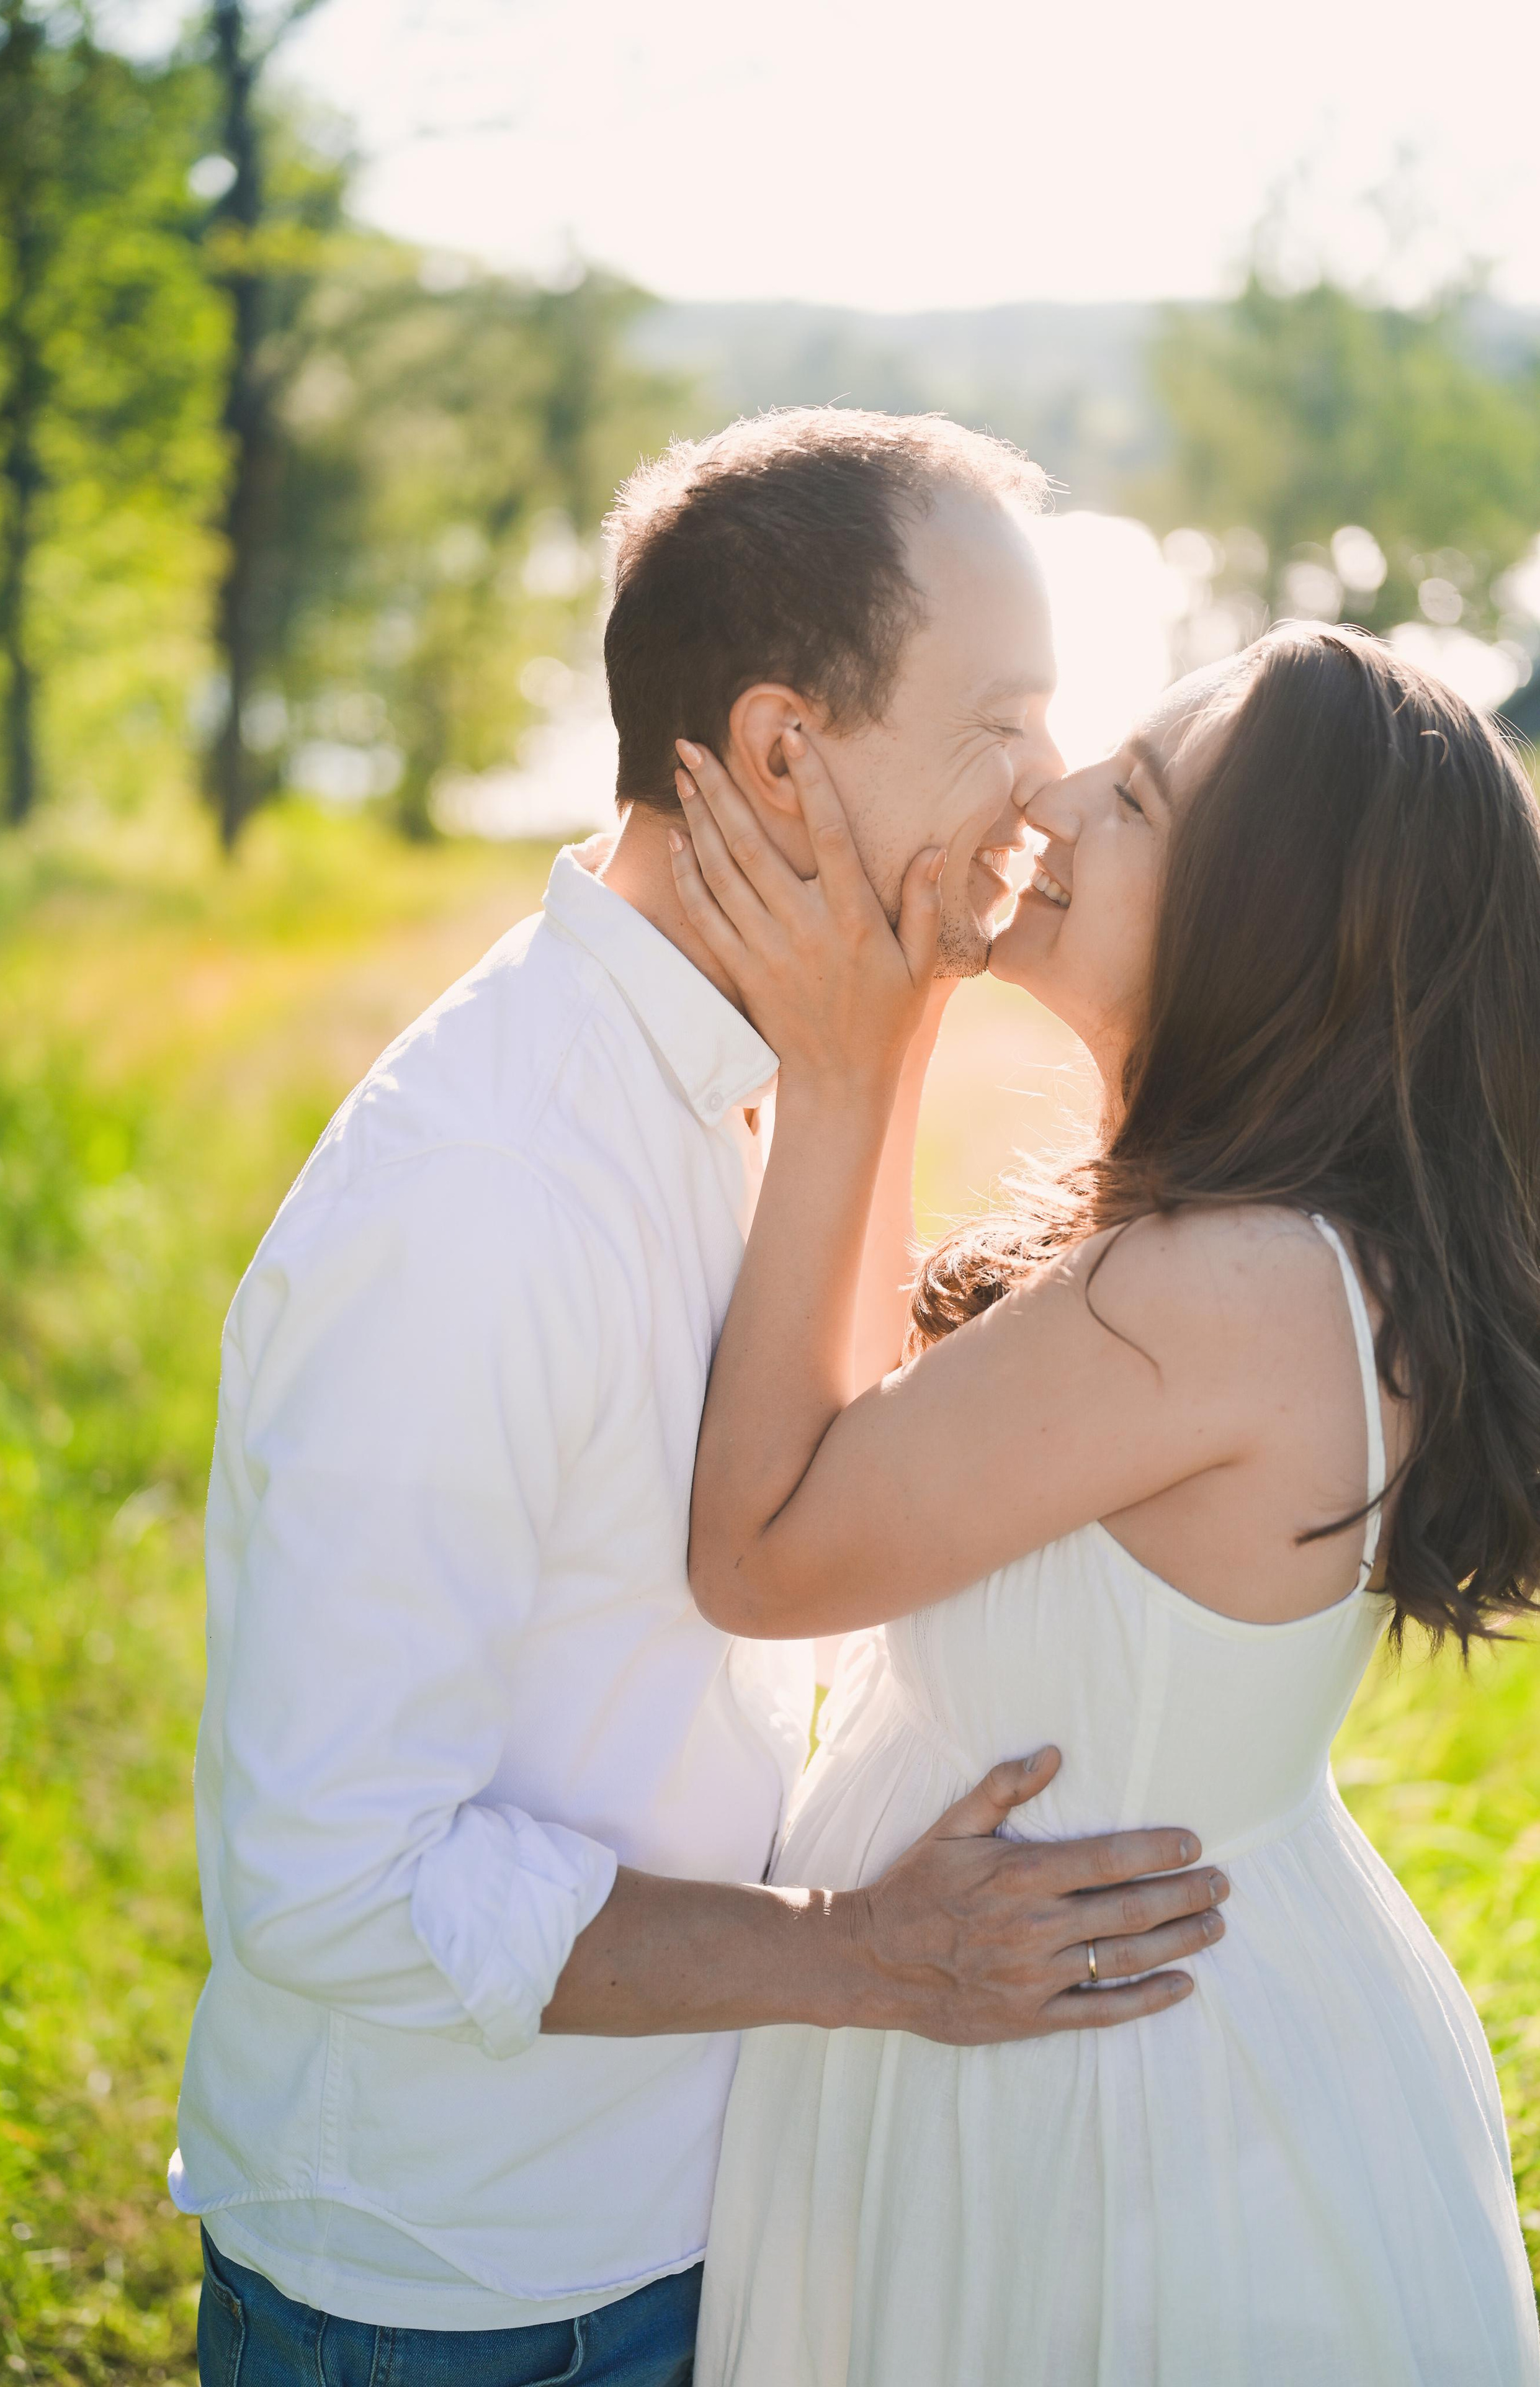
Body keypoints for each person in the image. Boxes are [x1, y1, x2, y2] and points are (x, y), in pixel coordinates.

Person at [169, 410, 1227, 2387]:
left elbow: (813, 1496)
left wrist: (882, 1049)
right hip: (470, 2289)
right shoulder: (482, 1199)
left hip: (689, 2215)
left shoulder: (768, 1062)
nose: (1052, 786)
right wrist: (863, 1955)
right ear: (776, 757)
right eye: (1001, 718)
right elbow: (332, 1877)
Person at [666, 624, 1540, 2386]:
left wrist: (841, 1067)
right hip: (1062, 2028)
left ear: (1261, 928)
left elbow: (769, 1554)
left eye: (1132, 798)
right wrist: (898, 1023)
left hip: (1108, 2110)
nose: (1050, 802)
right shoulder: (1238, 1251)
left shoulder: (1225, 1288)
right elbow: (873, 1442)